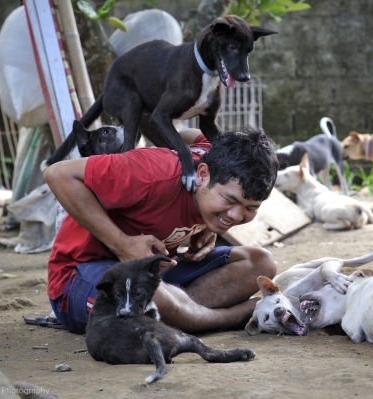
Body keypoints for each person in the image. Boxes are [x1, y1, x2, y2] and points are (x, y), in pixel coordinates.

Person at [43, 126, 279, 334]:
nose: (236, 216)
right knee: (149, 297)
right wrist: (123, 244)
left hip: (156, 274)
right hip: (77, 277)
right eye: (230, 200)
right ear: (203, 175)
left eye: (251, 208)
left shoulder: (212, 152)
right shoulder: (149, 170)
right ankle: (224, 318)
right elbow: (58, 174)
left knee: (261, 263)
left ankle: (183, 313)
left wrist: (209, 224)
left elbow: (188, 134)